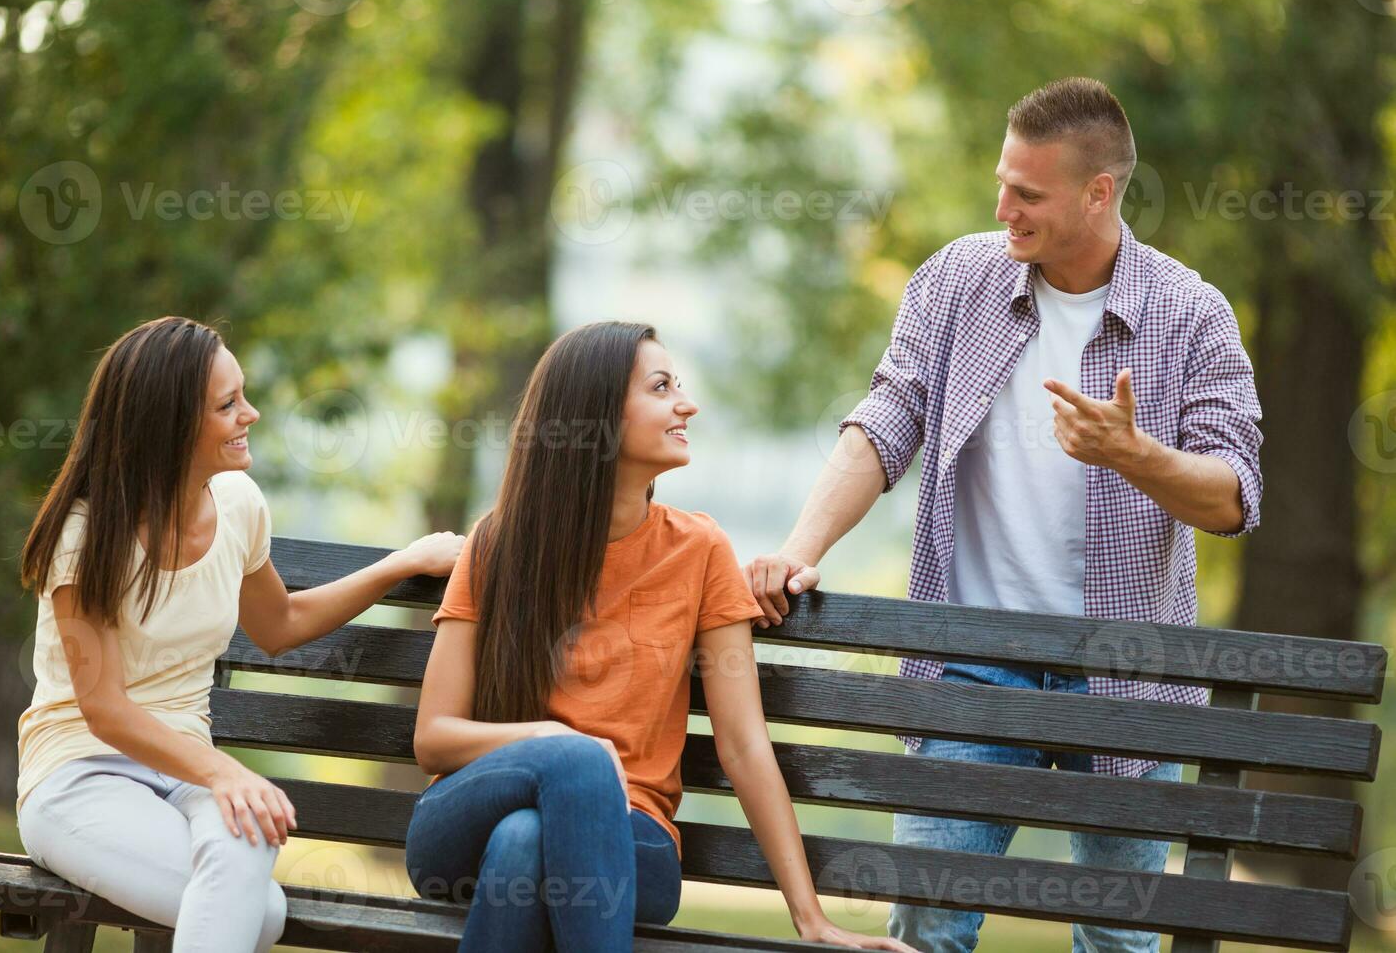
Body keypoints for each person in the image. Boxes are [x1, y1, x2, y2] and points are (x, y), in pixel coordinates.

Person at [745, 77, 1264, 953]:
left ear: (1099, 193)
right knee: (928, 923)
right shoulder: (959, 280)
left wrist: (1135, 456)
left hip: (1127, 671)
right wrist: (800, 549)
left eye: (1028, 192)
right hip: (973, 667)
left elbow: (1235, 494)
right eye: (1002, 183)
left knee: (1118, 943)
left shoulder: (1190, 313)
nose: (1003, 207)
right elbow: (888, 417)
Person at [405, 320, 914, 952]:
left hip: (631, 839)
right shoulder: (500, 546)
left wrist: (811, 919)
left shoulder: (699, 550)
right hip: (461, 829)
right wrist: (556, 741)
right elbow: (434, 739)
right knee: (557, 782)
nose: (686, 403)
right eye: (661, 386)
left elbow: (744, 746)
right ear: (596, 416)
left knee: (523, 842)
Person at [16, 316, 464, 953]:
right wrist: (227, 773)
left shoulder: (238, 505)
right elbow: (104, 708)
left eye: (243, 395)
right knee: (258, 913)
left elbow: (279, 624)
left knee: (249, 844)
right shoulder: (85, 538)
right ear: (170, 427)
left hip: (185, 775)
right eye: (228, 405)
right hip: (78, 774)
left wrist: (400, 563)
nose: (250, 414)